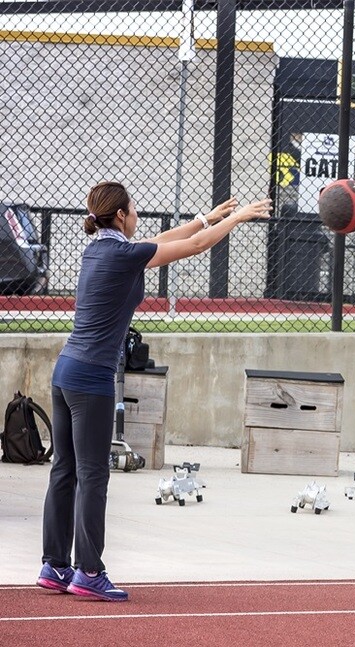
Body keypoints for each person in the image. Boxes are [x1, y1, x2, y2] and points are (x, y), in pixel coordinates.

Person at [36, 181, 271, 602]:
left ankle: (54, 565)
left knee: (65, 471)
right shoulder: (122, 254)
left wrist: (208, 217)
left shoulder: (102, 249)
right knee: (93, 476)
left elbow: (161, 242)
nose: (137, 213)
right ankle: (88, 572)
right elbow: (195, 247)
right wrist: (236, 219)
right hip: (90, 381)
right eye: (134, 207)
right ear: (122, 215)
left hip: (65, 372)